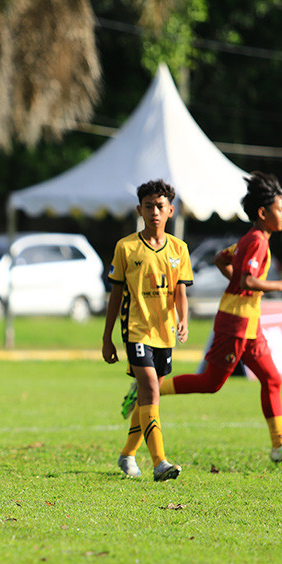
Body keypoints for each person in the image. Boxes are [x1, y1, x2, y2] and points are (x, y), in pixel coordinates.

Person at [122, 171, 282, 465]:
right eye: (280, 210)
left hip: (250, 324)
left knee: (271, 378)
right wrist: (280, 285)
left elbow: (221, 260)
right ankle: (149, 388)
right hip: (235, 323)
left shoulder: (252, 239)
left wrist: (238, 282)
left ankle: (280, 445)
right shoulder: (257, 241)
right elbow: (249, 280)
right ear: (263, 213)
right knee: (211, 382)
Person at [103, 179, 192, 481]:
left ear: (171, 211)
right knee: (152, 390)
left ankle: (127, 454)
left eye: (161, 206)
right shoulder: (126, 247)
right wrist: (107, 339)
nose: (155, 211)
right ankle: (160, 463)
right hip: (136, 330)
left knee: (148, 398)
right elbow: (115, 295)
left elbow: (180, 289)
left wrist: (183, 319)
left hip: (164, 333)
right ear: (139, 209)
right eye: (149, 206)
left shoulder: (179, 249)